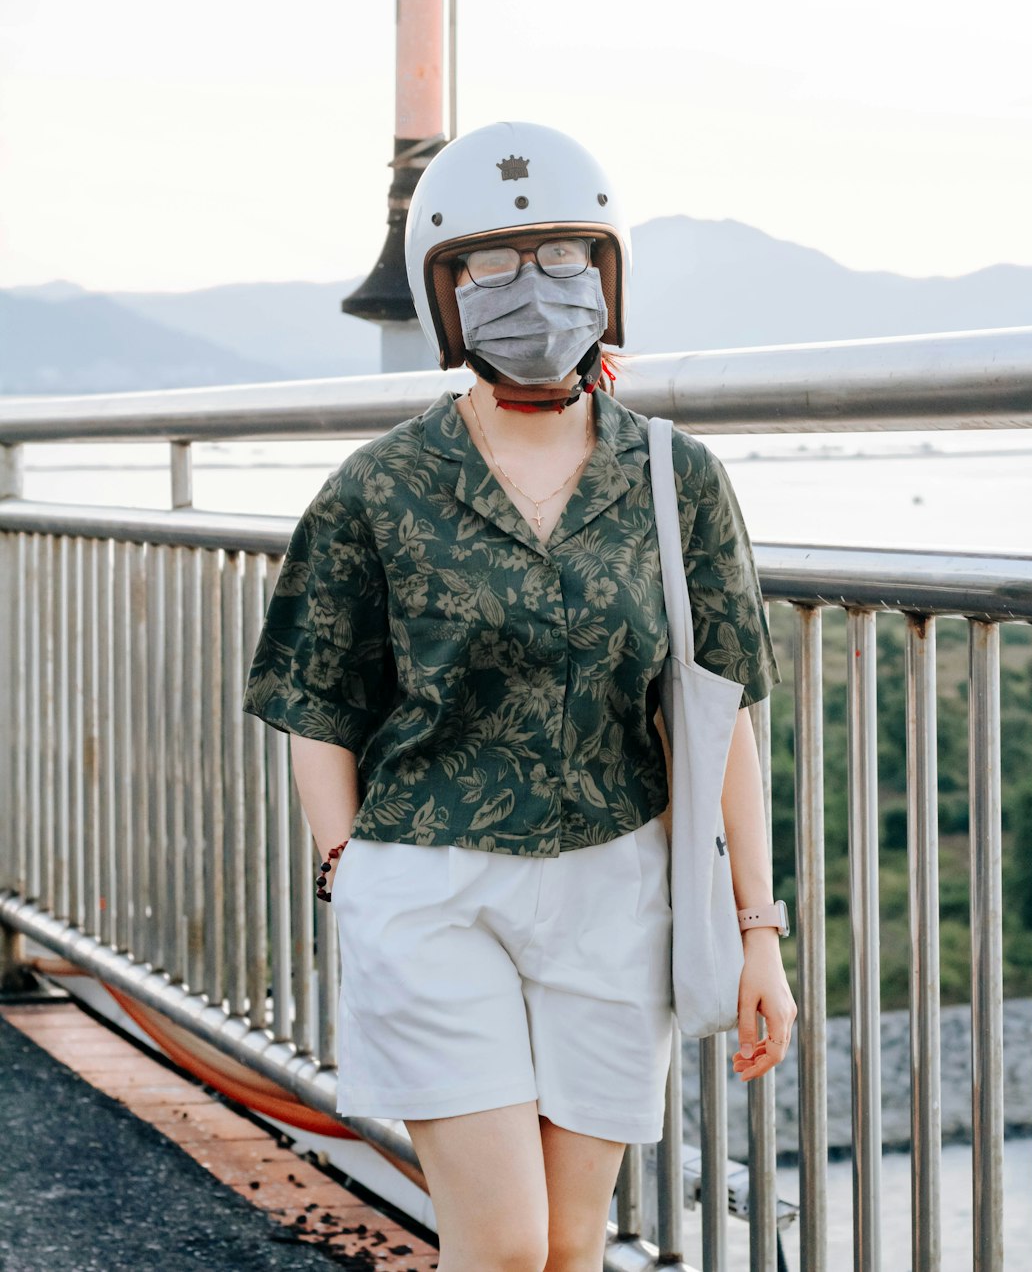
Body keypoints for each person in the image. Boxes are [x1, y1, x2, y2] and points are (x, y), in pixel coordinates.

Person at [242, 120, 797, 1272]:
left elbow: (719, 714)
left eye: (561, 258)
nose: (531, 292)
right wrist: (349, 866)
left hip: (616, 888)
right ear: (444, 293)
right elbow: (317, 703)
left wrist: (759, 933)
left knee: (569, 1249)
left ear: (608, 275)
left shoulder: (673, 477)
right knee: (499, 1248)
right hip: (433, 885)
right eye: (491, 266)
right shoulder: (379, 488)